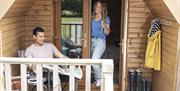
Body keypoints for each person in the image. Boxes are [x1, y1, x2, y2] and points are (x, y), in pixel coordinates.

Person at [91, 0, 110, 87]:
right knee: (94, 61)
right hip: (90, 41)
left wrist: (104, 26)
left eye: (98, 7)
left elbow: (107, 33)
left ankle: (99, 79)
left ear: (102, 8)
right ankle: (98, 78)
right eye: (96, 6)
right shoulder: (91, 17)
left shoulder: (106, 18)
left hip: (100, 41)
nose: (96, 8)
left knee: (94, 61)